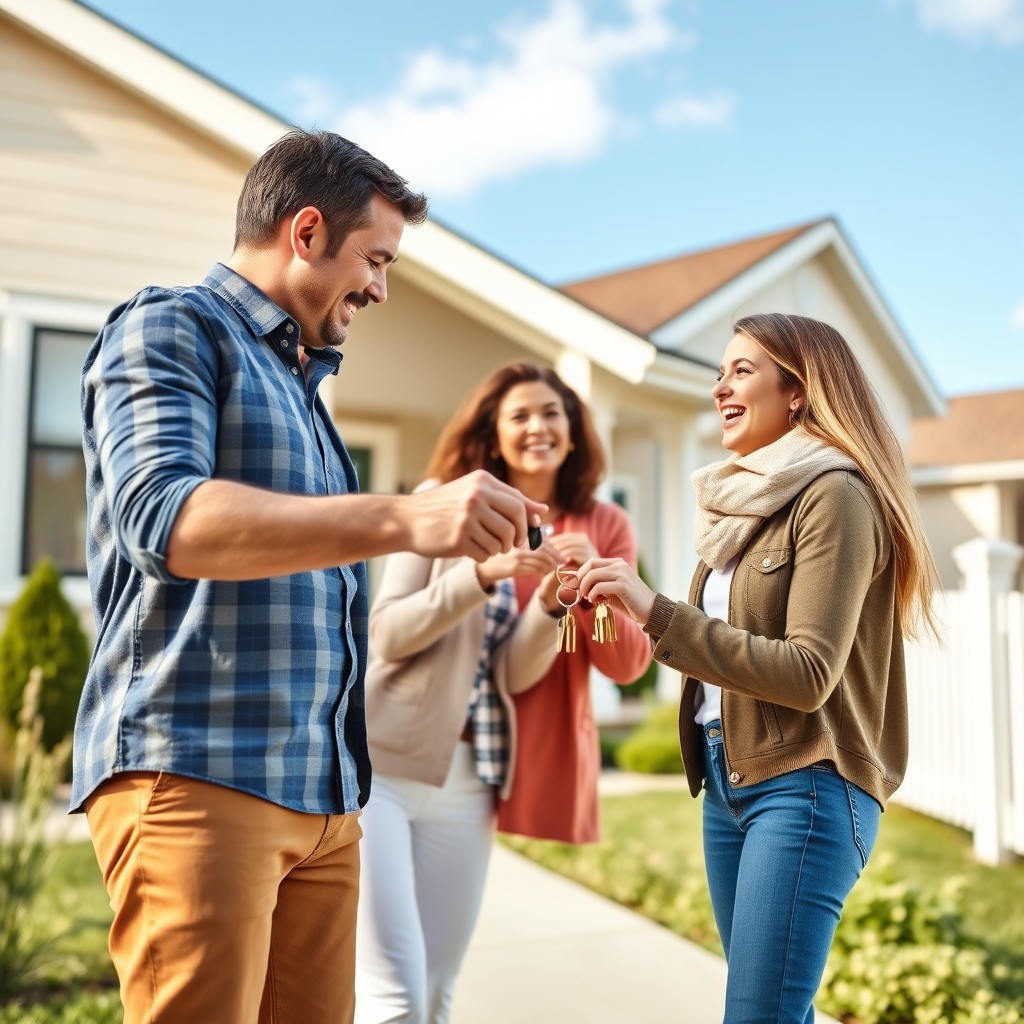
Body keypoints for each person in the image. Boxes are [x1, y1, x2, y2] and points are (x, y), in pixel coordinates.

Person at [72, 129, 547, 1024]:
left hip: (323, 797)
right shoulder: (171, 323)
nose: (380, 286)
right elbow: (163, 517)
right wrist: (408, 515)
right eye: (375, 258)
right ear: (305, 232)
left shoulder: (302, 387)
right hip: (201, 775)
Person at [576, 313, 937, 1024]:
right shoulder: (745, 508)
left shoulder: (836, 494)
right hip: (728, 781)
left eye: (742, 370)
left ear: (798, 391)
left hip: (806, 783)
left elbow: (808, 672)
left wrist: (657, 611)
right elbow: (719, 649)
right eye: (719, 372)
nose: (720, 388)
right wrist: (617, 599)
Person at [355, 362, 651, 1024]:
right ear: (492, 432)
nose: (537, 426)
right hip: (387, 772)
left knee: (435, 993)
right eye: (518, 415)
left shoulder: (596, 522)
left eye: (551, 412)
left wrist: (550, 605)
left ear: (574, 430)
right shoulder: (442, 497)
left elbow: (514, 677)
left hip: (473, 779)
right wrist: (481, 575)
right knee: (394, 995)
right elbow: (388, 634)